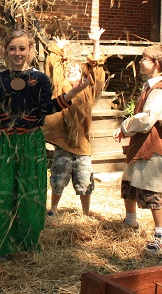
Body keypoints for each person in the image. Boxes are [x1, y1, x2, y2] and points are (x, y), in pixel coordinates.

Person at [0, 29, 91, 259]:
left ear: (31, 51)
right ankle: (2, 245)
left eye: (22, 48)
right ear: (5, 51)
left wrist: (76, 90)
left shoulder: (39, 80)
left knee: (30, 194)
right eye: (12, 48)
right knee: (4, 192)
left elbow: (47, 108)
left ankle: (26, 244)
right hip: (5, 145)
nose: (17, 53)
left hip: (32, 143)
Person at [112, 43, 162, 252]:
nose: (140, 62)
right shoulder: (149, 86)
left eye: (144, 59)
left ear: (156, 64)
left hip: (153, 149)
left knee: (151, 191)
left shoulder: (159, 91)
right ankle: (130, 222)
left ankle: (161, 235)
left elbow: (147, 120)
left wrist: (124, 126)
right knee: (129, 185)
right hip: (140, 146)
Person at [42, 27, 106, 217]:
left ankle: (85, 213)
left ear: (83, 75)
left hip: (82, 146)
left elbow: (96, 71)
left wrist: (96, 43)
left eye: (76, 70)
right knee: (58, 179)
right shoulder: (60, 89)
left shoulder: (88, 91)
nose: (72, 72)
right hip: (63, 143)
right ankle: (53, 209)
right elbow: (56, 68)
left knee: (85, 181)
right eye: (69, 70)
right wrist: (59, 49)